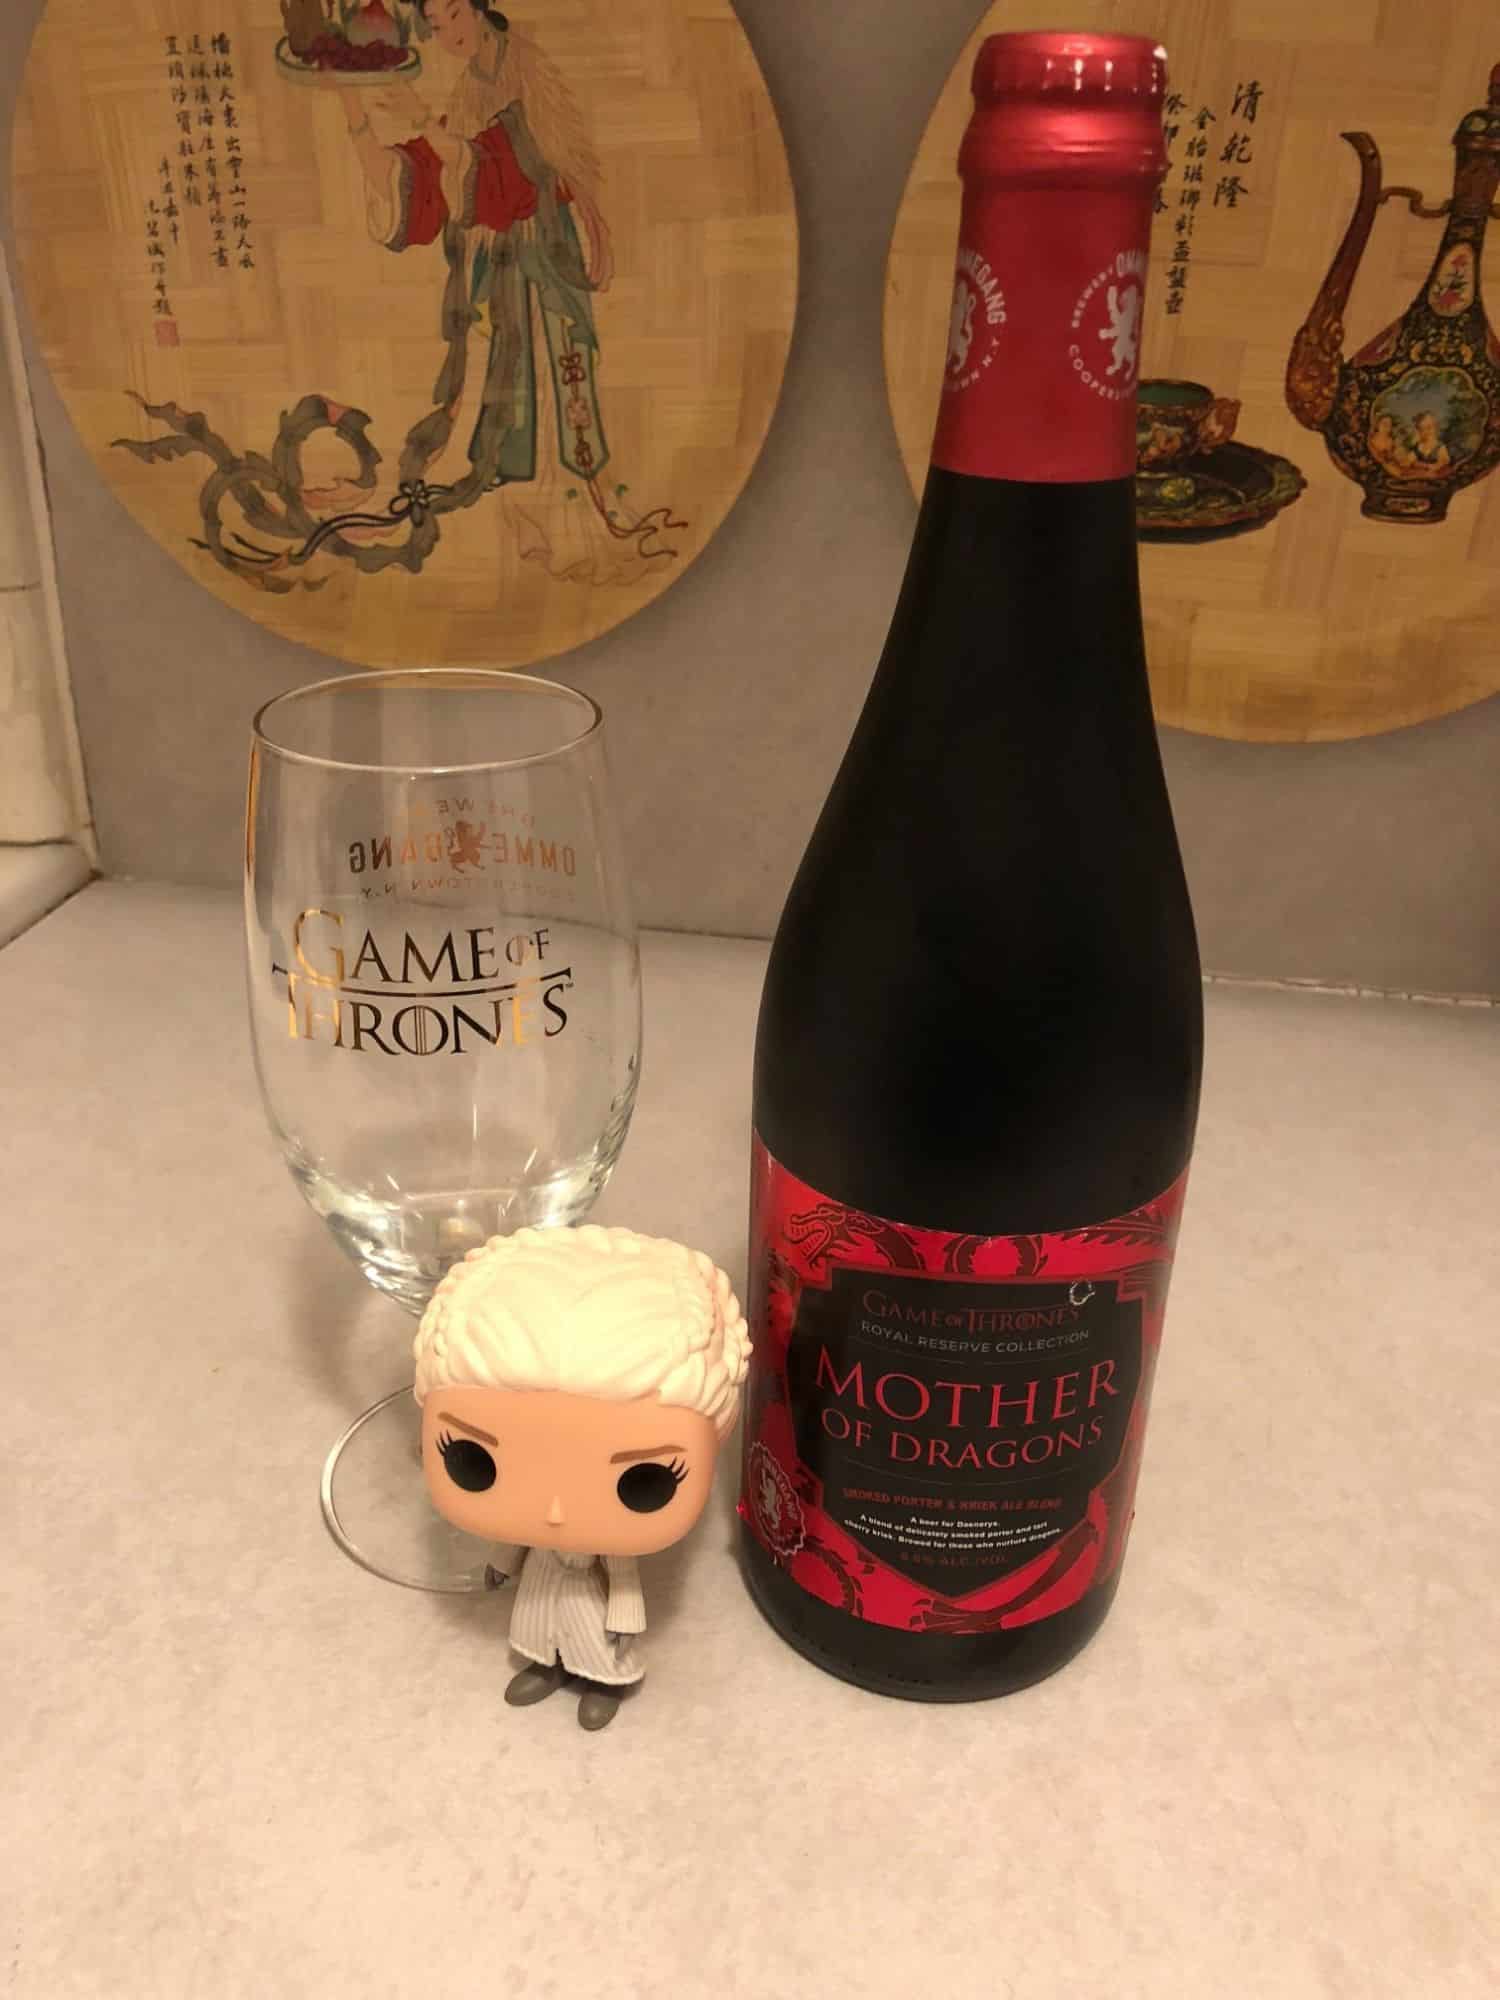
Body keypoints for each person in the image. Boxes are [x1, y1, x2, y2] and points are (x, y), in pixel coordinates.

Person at [336, 0, 664, 581]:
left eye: (454, 14)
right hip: (503, 265)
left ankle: (581, 525)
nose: (449, 33)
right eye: (436, 26)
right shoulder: (467, 90)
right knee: (509, 397)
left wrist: (426, 124)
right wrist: (354, 107)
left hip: (545, 251)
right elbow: (438, 172)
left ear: (480, 7)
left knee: (558, 388)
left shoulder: (525, 67)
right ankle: (527, 523)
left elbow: (516, 164)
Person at [413, 1225, 751, 1729]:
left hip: (587, 1587)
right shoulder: (534, 1531)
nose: (555, 1511)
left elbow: (622, 1576)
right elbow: (515, 1544)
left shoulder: (610, 1549)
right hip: (543, 1578)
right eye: (472, 1459)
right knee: (538, 1625)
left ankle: (604, 1682)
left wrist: (626, 1613)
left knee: (595, 1638)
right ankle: (544, 1667)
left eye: (646, 1480)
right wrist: (502, 1563)